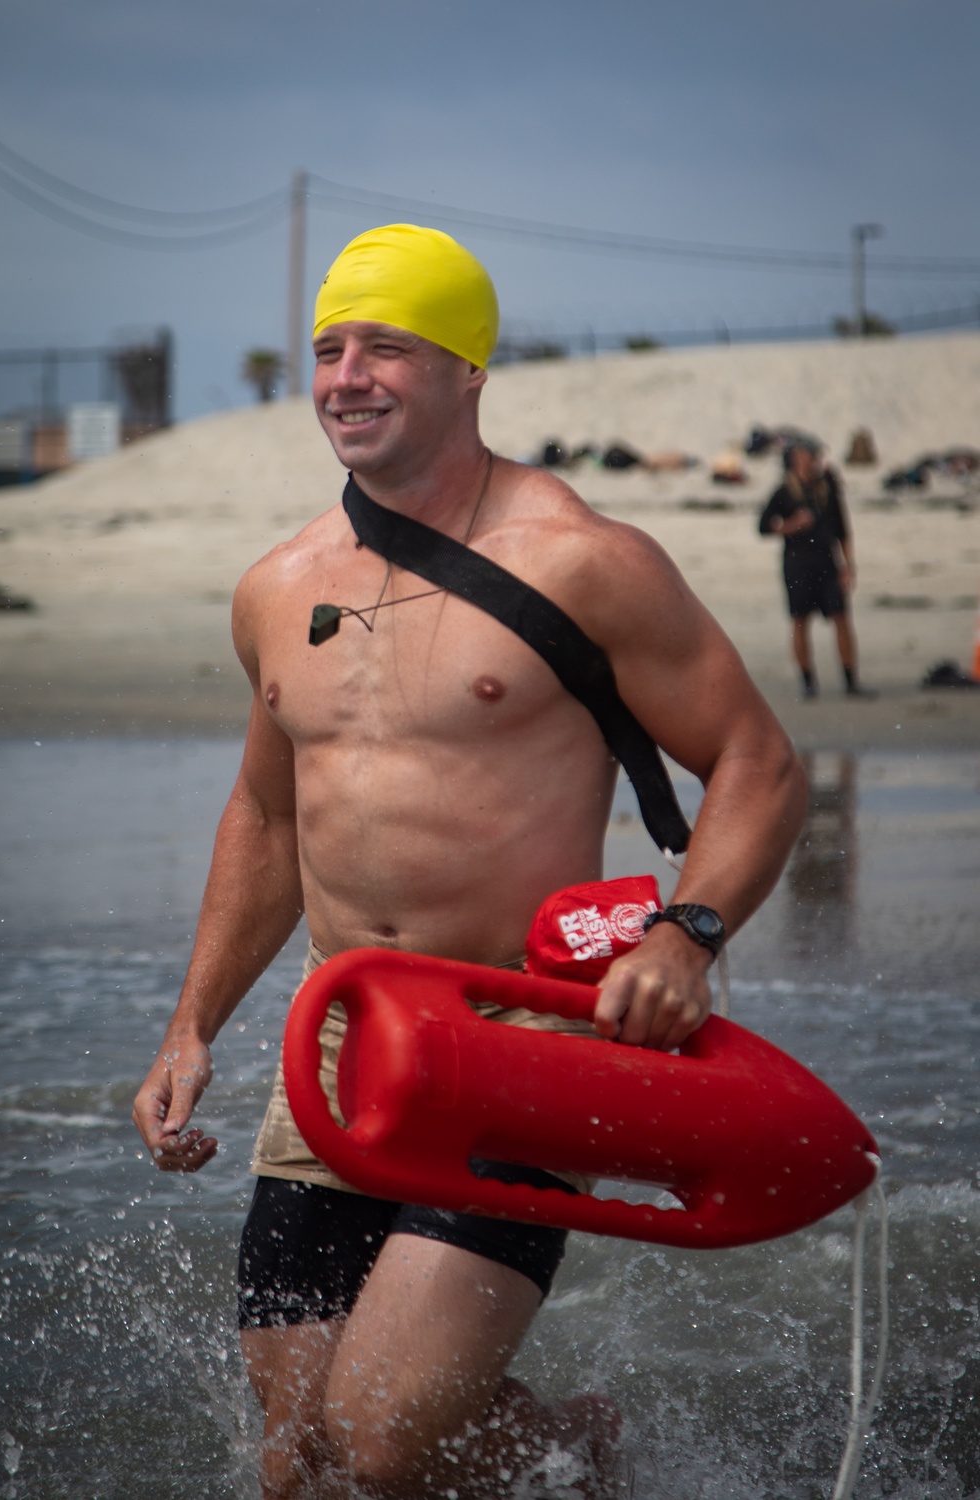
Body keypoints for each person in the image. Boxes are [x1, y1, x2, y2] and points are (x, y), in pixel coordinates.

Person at [133, 223, 807, 1499]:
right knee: (297, 1464)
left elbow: (758, 763)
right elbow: (268, 820)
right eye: (328, 349)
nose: (347, 376)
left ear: (467, 371)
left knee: (381, 1444)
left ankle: (573, 1450)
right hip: (344, 1028)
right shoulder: (277, 587)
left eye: (386, 346)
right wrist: (192, 1027)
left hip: (520, 1033)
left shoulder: (583, 562)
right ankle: (550, 1442)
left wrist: (686, 937)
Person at [758, 442, 875, 699]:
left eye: (812, 457)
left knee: (841, 618)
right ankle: (808, 683)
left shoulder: (827, 488)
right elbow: (763, 526)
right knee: (800, 621)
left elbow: (843, 530)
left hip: (828, 563)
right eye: (805, 457)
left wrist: (848, 567)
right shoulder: (784, 492)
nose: (811, 462)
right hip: (797, 564)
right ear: (794, 461)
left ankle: (850, 681)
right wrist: (791, 526)